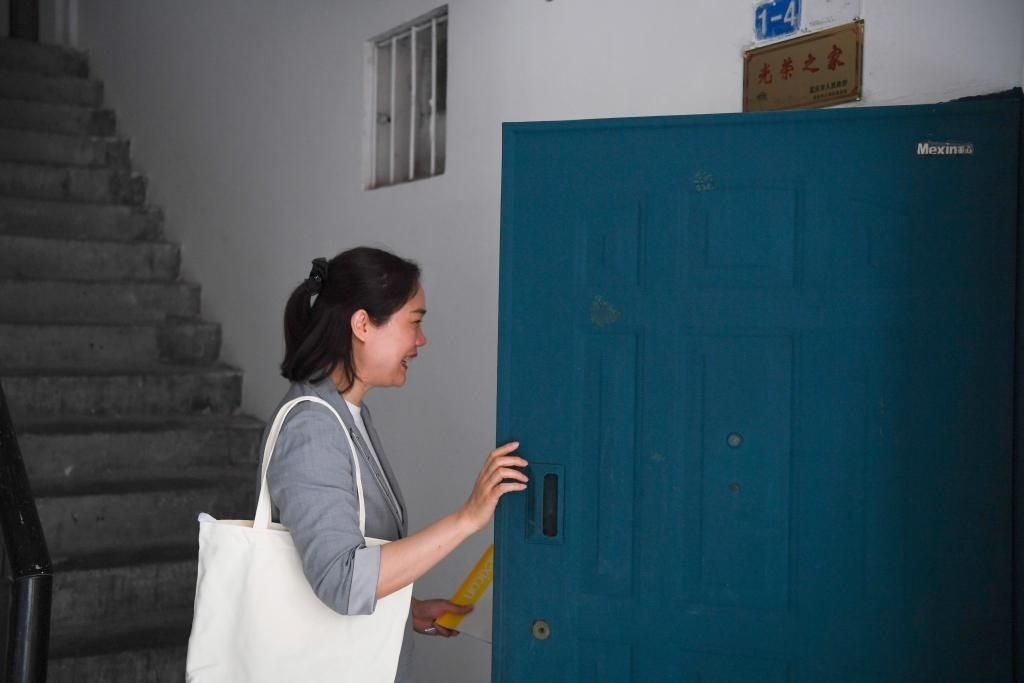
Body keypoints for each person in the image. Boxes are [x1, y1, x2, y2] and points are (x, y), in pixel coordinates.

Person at [261, 246, 527, 681]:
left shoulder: (349, 414)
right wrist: (467, 518)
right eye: (414, 322)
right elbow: (343, 581)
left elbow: (347, 555)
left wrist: (405, 608)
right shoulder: (313, 427)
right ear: (363, 324)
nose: (421, 341)